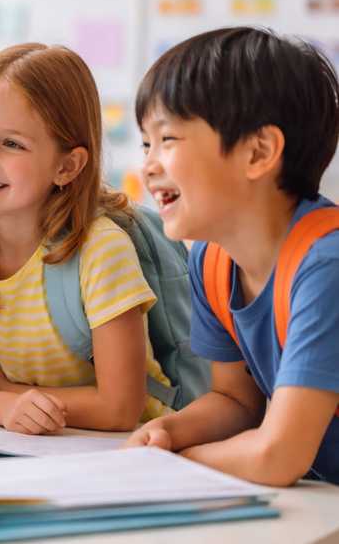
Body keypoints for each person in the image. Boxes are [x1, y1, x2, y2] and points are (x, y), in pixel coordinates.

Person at [0, 43, 175, 434]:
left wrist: (8, 392)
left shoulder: (100, 250)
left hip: (132, 448)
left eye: (11, 143)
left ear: (67, 166)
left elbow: (120, 407)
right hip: (37, 447)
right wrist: (7, 405)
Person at [127, 27, 339, 486]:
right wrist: (168, 432)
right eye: (146, 144)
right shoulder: (213, 260)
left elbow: (278, 457)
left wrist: (176, 462)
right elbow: (237, 403)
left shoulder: (327, 267)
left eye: (168, 140)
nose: (148, 165)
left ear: (258, 152)